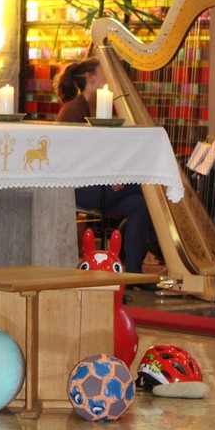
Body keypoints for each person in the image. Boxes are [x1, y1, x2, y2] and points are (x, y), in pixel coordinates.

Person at [53, 57, 157, 276]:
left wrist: (118, 173)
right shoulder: (74, 111)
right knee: (150, 185)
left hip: (98, 183)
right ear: (91, 78)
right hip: (79, 188)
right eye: (105, 71)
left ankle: (132, 271)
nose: (112, 76)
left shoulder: (95, 108)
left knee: (140, 204)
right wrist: (114, 176)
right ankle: (158, 247)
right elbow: (77, 160)